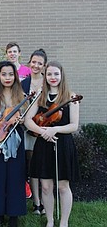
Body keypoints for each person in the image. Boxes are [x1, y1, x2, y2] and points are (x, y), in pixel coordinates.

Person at [24, 61, 80, 227]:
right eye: (49, 74)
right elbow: (28, 120)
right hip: (43, 144)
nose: (53, 77)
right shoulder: (41, 96)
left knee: (63, 186)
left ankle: (63, 222)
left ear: (61, 76)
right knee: (46, 186)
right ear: (45, 76)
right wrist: (43, 132)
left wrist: (55, 130)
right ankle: (49, 221)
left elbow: (74, 125)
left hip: (63, 144)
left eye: (56, 74)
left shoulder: (70, 96)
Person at [0, 61, 27, 227]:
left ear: (15, 76)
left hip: (16, 141)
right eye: (4, 74)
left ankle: (14, 215)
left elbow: (25, 121)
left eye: (10, 74)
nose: (7, 78)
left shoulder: (21, 96)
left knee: (15, 177)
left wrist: (22, 121)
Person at [21, 49, 48, 215]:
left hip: (43, 128)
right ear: (29, 62)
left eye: (40, 63)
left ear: (44, 66)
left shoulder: (49, 82)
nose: (36, 65)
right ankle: (36, 203)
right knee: (31, 165)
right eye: (34, 62)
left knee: (42, 166)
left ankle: (45, 201)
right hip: (26, 129)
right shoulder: (23, 83)